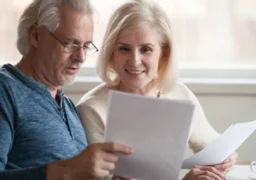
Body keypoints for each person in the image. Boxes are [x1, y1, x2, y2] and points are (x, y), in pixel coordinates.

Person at [76, 0, 238, 179]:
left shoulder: (180, 94)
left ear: (164, 54)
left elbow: (212, 146)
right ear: (111, 52)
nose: (135, 60)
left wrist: (226, 157)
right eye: (124, 49)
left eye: (146, 49)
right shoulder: (92, 109)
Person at [0, 0, 133, 180]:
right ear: (36, 36)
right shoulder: (5, 91)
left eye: (86, 46)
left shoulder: (68, 106)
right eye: (70, 43)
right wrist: (64, 171)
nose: (81, 57)